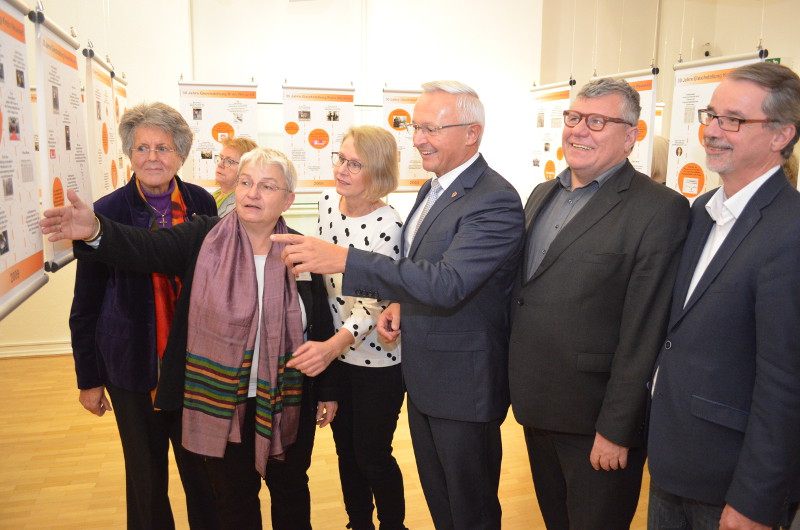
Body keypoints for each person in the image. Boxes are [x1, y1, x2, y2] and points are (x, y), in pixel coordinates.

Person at [274, 80, 525, 529]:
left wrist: (346, 260)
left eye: (431, 128)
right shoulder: (435, 189)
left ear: (472, 133)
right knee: (442, 500)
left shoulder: (495, 199)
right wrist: (403, 305)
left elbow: (449, 282)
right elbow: (426, 267)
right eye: (416, 126)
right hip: (426, 376)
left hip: (462, 387)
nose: (418, 138)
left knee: (470, 507)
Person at [45, 148, 339, 530]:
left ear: (288, 199)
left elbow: (320, 325)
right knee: (233, 501)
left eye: (267, 186)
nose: (252, 193)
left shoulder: (302, 250)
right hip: (222, 403)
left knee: (292, 493)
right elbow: (146, 247)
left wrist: (329, 389)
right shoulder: (204, 237)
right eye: (246, 182)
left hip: (287, 401)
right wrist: (96, 230)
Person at [508, 78, 690, 530]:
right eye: (572, 118)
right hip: (538, 406)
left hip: (596, 423)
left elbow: (643, 330)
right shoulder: (542, 195)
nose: (578, 131)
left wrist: (616, 428)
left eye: (596, 121)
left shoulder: (659, 209)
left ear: (632, 135)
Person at [647, 62, 800, 530]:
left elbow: (786, 383)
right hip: (675, 460)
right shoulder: (700, 212)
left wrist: (756, 499)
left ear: (781, 135)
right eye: (710, 116)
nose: (712, 131)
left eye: (732, 120)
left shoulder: (790, 232)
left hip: (731, 482)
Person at [68, 102, 219, 529]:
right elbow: (86, 304)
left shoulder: (200, 202)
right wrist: (89, 378)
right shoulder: (106, 211)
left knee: (203, 476)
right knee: (145, 480)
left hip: (193, 367)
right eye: (142, 147)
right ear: (128, 154)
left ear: (182, 155)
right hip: (131, 368)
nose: (152, 157)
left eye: (164, 148)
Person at [288, 126, 406, 530]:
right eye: (341, 158)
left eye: (355, 163)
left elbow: (375, 303)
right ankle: (359, 523)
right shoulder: (326, 203)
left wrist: (330, 346)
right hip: (335, 352)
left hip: (377, 360)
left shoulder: (389, 224)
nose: (342, 169)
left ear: (377, 172)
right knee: (346, 453)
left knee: (372, 454)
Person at [214, 137, 258, 216]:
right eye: (221, 158)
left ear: (246, 169)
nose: (220, 164)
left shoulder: (244, 205)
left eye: (229, 161)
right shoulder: (213, 195)